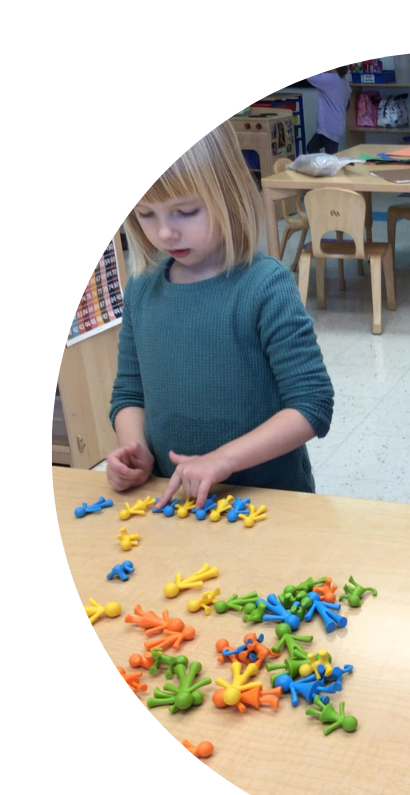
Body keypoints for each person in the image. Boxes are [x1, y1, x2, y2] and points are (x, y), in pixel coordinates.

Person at [107, 122, 334, 510]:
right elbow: (129, 393)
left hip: (268, 504)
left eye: (186, 211)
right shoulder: (143, 290)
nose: (164, 233)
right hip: (177, 502)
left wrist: (223, 459)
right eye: (145, 214)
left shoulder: (265, 285)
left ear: (228, 196)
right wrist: (135, 449)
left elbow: (312, 405)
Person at [307, 68, 351, 154]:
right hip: (333, 126)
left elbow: (311, 78)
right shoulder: (343, 80)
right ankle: (322, 165)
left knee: (331, 157)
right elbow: (347, 103)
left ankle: (325, 165)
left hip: (330, 126)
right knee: (312, 147)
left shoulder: (330, 79)